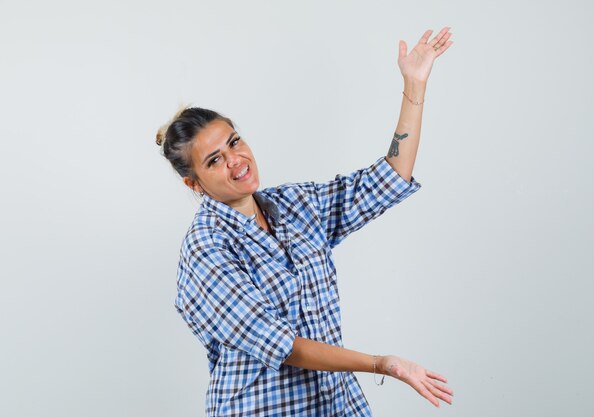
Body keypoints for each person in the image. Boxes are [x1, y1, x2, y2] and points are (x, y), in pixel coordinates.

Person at [157, 27, 455, 417]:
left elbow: (388, 180)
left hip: (336, 405)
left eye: (233, 142)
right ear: (193, 183)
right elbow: (286, 347)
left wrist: (414, 88)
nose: (235, 160)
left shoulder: (295, 205)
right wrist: (382, 364)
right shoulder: (206, 249)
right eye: (214, 160)